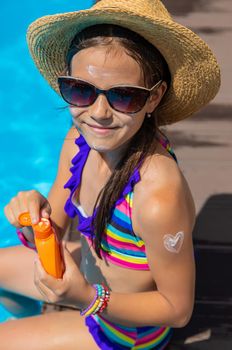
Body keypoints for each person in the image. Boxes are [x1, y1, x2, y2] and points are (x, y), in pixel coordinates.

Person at [1, 0, 220, 349]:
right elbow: (52, 227)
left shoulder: (156, 195)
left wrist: (88, 296)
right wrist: (34, 217)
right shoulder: (79, 141)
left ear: (154, 98)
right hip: (87, 287)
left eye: (124, 97)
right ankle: (49, 317)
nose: (98, 113)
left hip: (123, 331)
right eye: (80, 90)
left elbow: (177, 309)